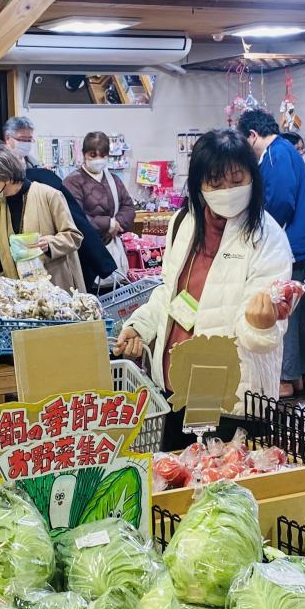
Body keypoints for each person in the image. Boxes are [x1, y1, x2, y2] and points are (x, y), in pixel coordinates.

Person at [116, 129, 292, 444]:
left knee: (218, 486)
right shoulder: (184, 222)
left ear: (254, 178)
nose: (227, 190)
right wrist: (140, 326)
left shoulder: (268, 237)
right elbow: (169, 291)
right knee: (175, 480)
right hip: (173, 384)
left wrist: (261, 324)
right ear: (199, 184)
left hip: (226, 392)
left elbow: (265, 331)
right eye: (215, 182)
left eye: (237, 180)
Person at [236, 109, 305, 396]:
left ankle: (285, 377)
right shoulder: (284, 151)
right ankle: (297, 374)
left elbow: (280, 201)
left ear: (252, 135)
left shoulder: (276, 154)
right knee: (294, 312)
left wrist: (260, 230)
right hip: (300, 242)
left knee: (282, 309)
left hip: (290, 244)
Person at [2, 115, 117, 288]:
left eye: (29, 139)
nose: (26, 143)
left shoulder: (42, 175)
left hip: (51, 261)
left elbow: (75, 225)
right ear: (8, 139)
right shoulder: (2, 179)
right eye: (21, 139)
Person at [0, 144, 86, 292]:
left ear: (6, 177)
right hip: (22, 295)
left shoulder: (49, 195)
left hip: (56, 288)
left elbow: (74, 236)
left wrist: (50, 243)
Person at [63, 131, 137, 258]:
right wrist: (108, 224)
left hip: (111, 246)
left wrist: (116, 224)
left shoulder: (114, 180)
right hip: (85, 251)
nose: (98, 159)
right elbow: (74, 216)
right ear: (84, 154)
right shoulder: (72, 181)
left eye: (102, 155)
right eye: (93, 155)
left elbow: (128, 207)